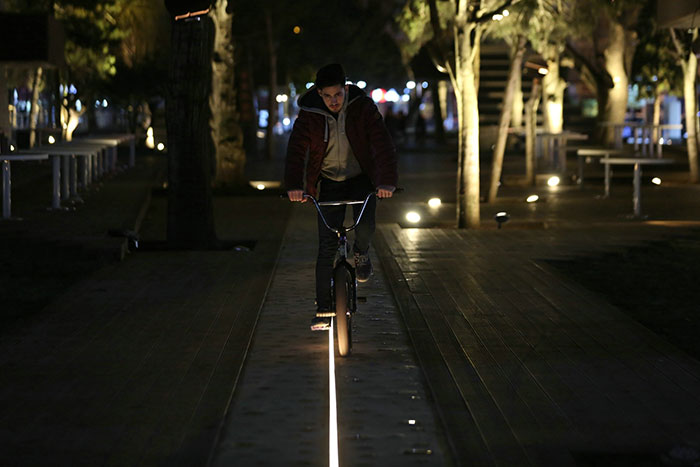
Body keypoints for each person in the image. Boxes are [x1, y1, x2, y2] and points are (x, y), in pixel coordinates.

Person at [285, 63, 398, 331]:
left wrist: (386, 182)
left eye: (338, 94)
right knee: (326, 247)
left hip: (360, 179)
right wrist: (294, 185)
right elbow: (296, 150)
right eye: (327, 96)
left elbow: (381, 143)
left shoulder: (363, 107)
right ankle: (323, 308)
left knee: (365, 227)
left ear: (345, 89)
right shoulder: (309, 114)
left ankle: (360, 253)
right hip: (328, 182)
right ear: (319, 93)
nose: (333, 101)